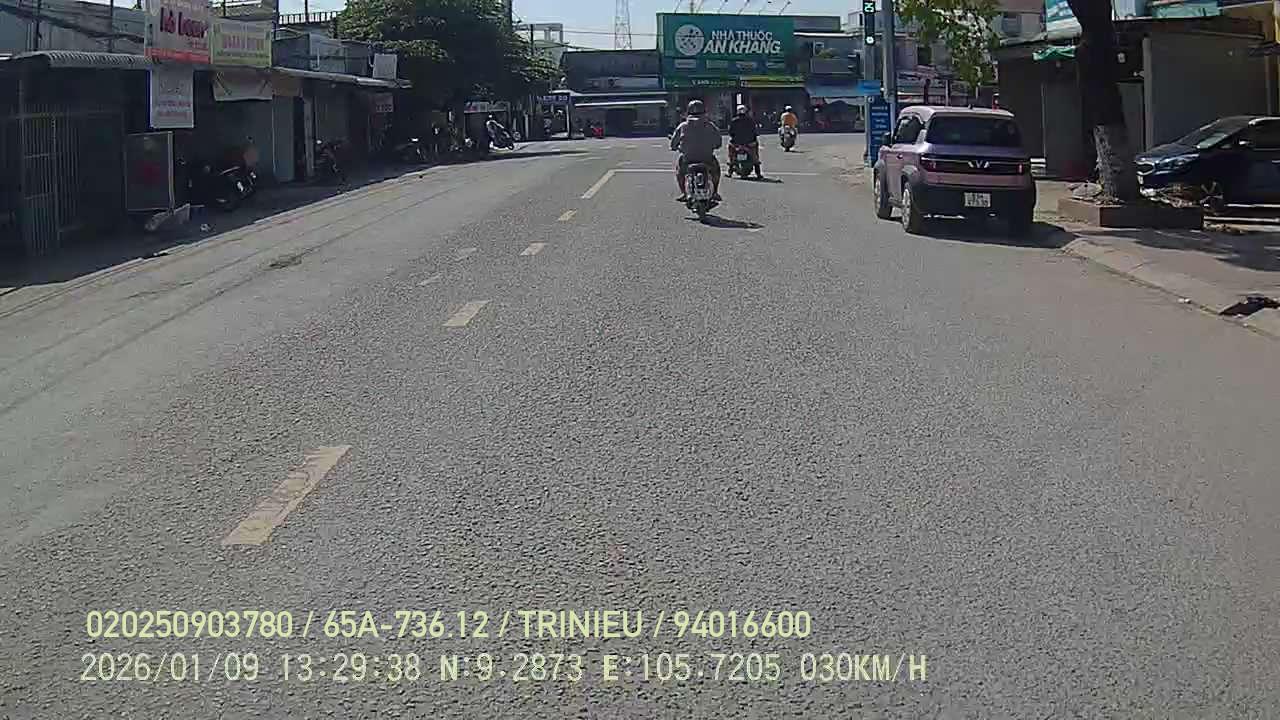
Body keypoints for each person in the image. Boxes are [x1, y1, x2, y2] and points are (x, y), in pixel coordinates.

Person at [669, 99, 723, 203]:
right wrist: (714, 146)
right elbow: (718, 142)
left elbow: (673, 143)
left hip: (688, 158)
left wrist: (675, 147)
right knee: (716, 170)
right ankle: (715, 192)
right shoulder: (710, 125)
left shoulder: (683, 126)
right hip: (707, 158)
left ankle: (684, 193)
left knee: (680, 172)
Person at [728, 104, 763, 179]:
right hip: (749, 143)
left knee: (732, 155)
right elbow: (755, 131)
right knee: (755, 156)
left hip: (737, 143)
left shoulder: (734, 121)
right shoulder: (750, 120)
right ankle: (758, 173)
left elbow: (730, 132)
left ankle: (730, 172)